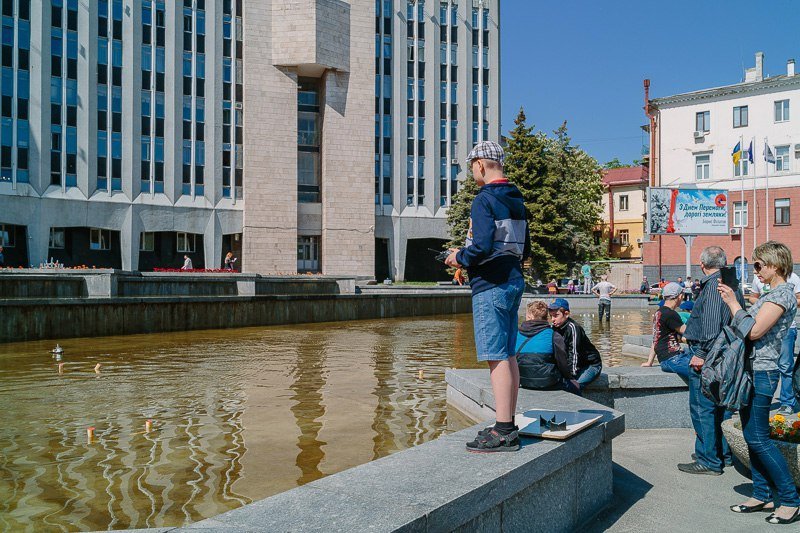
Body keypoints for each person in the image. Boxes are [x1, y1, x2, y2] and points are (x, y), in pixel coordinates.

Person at [445, 140, 530, 453]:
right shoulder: (516, 198)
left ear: (480, 164)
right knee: (508, 353)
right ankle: (507, 422)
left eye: (472, 167)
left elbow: (480, 247)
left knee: (496, 355)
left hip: (490, 284)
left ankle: (504, 430)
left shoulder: (484, 199)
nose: (473, 172)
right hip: (513, 280)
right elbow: (525, 248)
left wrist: (458, 257)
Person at [719, 241, 800, 524]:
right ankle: (762, 494)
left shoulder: (782, 295)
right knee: (753, 438)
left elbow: (753, 331)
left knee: (757, 438)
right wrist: (737, 302)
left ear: (776, 265)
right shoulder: (769, 294)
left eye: (758, 265)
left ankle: (790, 499)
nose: (755, 271)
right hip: (750, 371)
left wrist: (732, 303)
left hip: (762, 373)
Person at [679, 246, 744, 476]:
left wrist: (701, 354)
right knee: (719, 408)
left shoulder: (714, 286)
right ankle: (721, 454)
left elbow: (711, 324)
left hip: (709, 357)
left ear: (702, 264)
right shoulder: (729, 282)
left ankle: (708, 460)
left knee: (702, 408)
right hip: (724, 357)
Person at [749, 268, 800, 416]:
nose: (756, 270)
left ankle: (787, 402)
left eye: (760, 265)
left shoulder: (792, 279)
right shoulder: (759, 278)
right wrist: (764, 303)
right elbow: (753, 297)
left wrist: (774, 304)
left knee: (785, 366)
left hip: (786, 329)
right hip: (765, 326)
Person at [548, 298, 602, 394]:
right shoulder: (554, 328)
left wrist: (570, 377)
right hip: (574, 365)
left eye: (556, 316)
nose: (553, 320)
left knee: (573, 386)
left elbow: (574, 354)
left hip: (590, 365)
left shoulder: (573, 328)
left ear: (566, 314)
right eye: (551, 316)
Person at [515, 300, 571, 390]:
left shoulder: (516, 334)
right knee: (575, 387)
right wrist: (569, 378)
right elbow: (562, 362)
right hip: (548, 382)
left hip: (523, 380)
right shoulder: (554, 335)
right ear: (546, 318)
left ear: (529, 316)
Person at [641, 282, 690, 379]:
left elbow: (656, 339)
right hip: (674, 359)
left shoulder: (658, 312)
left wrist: (649, 362)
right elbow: (689, 333)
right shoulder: (671, 314)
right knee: (703, 370)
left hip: (665, 360)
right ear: (680, 296)